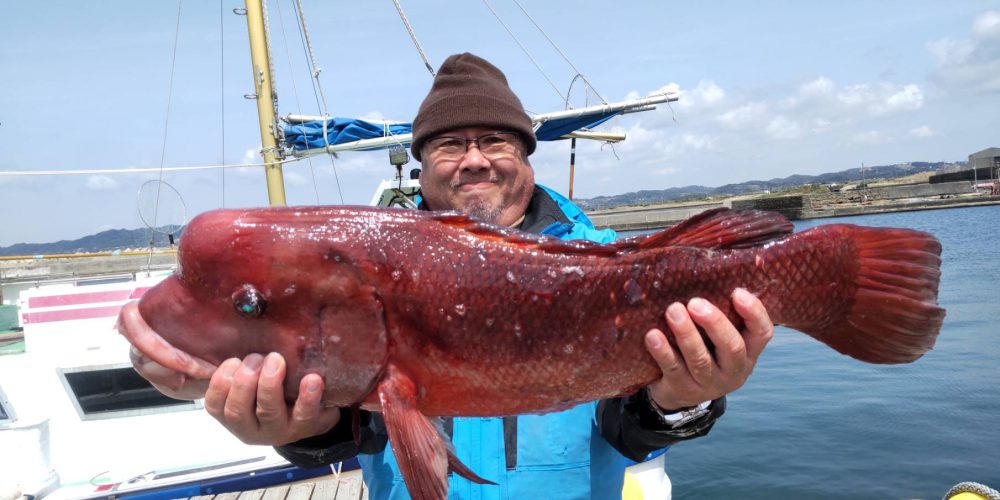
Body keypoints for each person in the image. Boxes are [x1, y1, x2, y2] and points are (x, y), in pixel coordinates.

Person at [124, 53, 774, 499]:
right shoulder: (365, 276)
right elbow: (350, 428)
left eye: (495, 140)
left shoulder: (607, 263)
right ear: (421, 164)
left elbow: (629, 430)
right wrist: (296, 431)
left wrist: (685, 397)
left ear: (526, 156)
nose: (474, 160)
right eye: (449, 144)